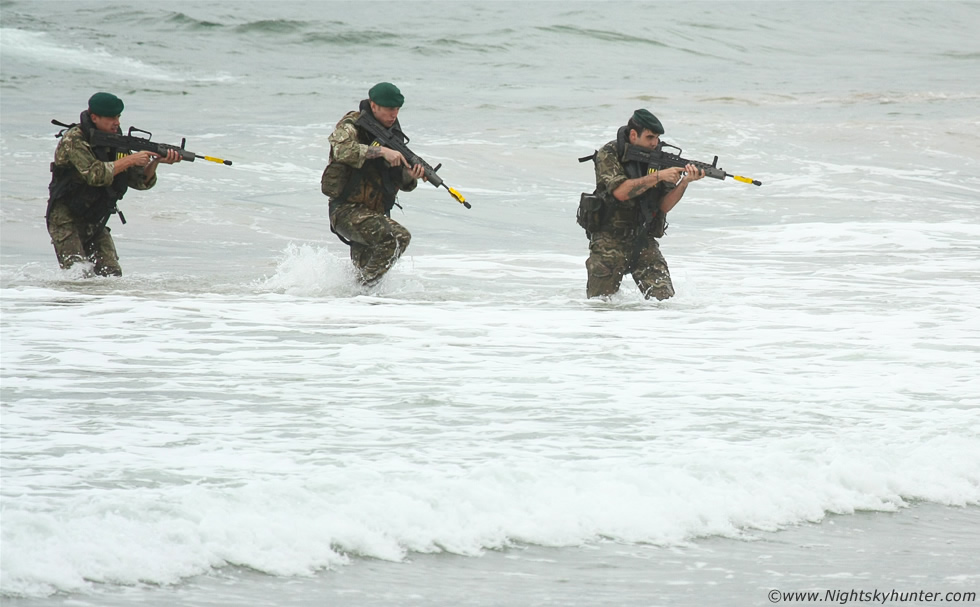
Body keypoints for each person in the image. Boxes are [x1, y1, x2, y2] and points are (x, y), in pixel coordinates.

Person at [46, 92, 181, 277]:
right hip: (66, 218)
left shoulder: (115, 141)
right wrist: (132, 159)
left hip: (94, 218)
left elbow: (139, 181)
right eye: (111, 118)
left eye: (118, 117)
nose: (116, 122)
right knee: (78, 277)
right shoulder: (75, 139)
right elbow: (95, 174)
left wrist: (155, 161)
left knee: (112, 277)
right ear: (94, 117)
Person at [585, 109, 704, 300]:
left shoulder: (658, 159)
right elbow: (621, 192)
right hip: (610, 240)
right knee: (601, 306)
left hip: (643, 240)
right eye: (650, 137)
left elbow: (664, 206)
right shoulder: (609, 153)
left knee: (665, 302)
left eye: (657, 138)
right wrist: (657, 176)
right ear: (633, 135)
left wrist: (684, 182)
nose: (654, 143)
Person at [321, 82, 426, 285]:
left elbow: (401, 183)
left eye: (396, 109)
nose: (393, 114)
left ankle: (358, 303)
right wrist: (380, 151)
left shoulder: (393, 135)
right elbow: (341, 150)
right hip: (345, 210)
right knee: (397, 238)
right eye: (389, 109)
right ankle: (363, 290)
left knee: (363, 275)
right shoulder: (353, 125)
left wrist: (410, 174)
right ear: (374, 105)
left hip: (374, 214)